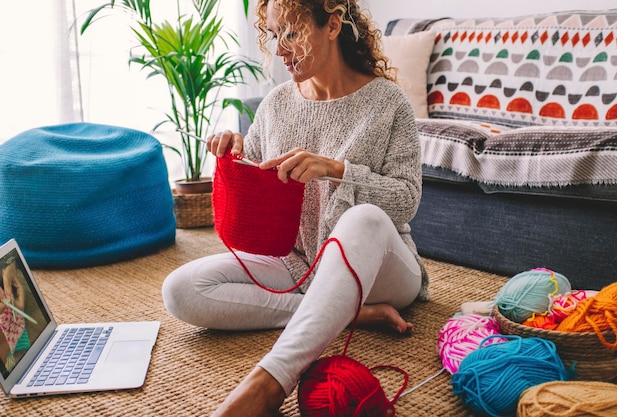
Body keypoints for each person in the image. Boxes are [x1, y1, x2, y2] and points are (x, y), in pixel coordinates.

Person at [161, 0, 429, 415]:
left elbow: (406, 200)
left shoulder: (388, 102)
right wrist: (236, 158)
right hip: (300, 263)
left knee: (364, 217)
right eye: (273, 34)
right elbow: (258, 203)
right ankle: (345, 312)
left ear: (333, 25)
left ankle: (269, 382)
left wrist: (338, 170)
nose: (279, 48)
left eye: (290, 32)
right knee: (180, 290)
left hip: (384, 272)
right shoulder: (277, 103)